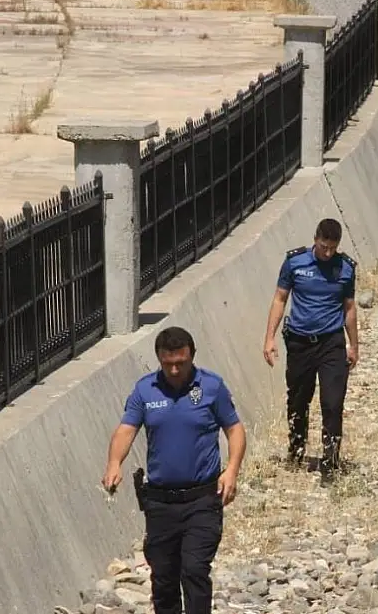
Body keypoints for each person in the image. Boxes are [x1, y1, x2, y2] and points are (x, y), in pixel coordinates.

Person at [101, 326, 246, 614]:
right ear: (159, 359)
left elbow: (235, 429)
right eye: (168, 364)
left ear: (192, 356)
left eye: (182, 363)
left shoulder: (211, 387)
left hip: (203, 499)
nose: (175, 370)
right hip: (160, 503)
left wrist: (232, 470)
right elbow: (126, 430)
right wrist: (114, 463)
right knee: (164, 578)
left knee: (194, 569)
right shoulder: (145, 390)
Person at [262, 218, 359, 487]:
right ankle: (296, 449)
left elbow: (349, 308)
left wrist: (354, 345)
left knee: (332, 401)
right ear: (315, 239)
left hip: (331, 343)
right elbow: (280, 299)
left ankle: (330, 460)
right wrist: (269, 338)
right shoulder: (295, 262)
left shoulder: (346, 269)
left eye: (332, 248)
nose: (327, 253)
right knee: (298, 398)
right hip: (300, 342)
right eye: (323, 246)